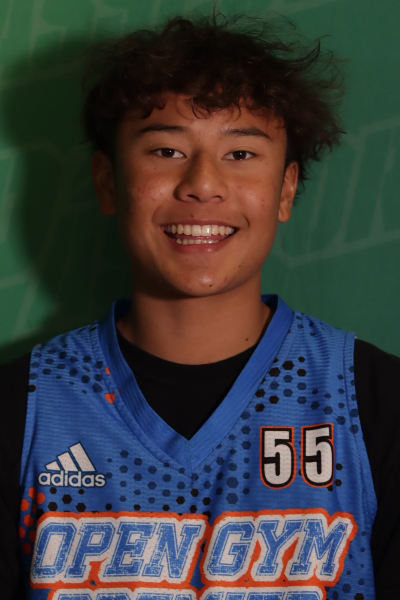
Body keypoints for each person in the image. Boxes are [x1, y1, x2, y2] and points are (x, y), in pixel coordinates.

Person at [0, 12, 398, 600]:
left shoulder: (373, 402)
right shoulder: (25, 408)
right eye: (166, 149)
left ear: (286, 189)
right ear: (107, 181)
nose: (203, 184)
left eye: (241, 154)